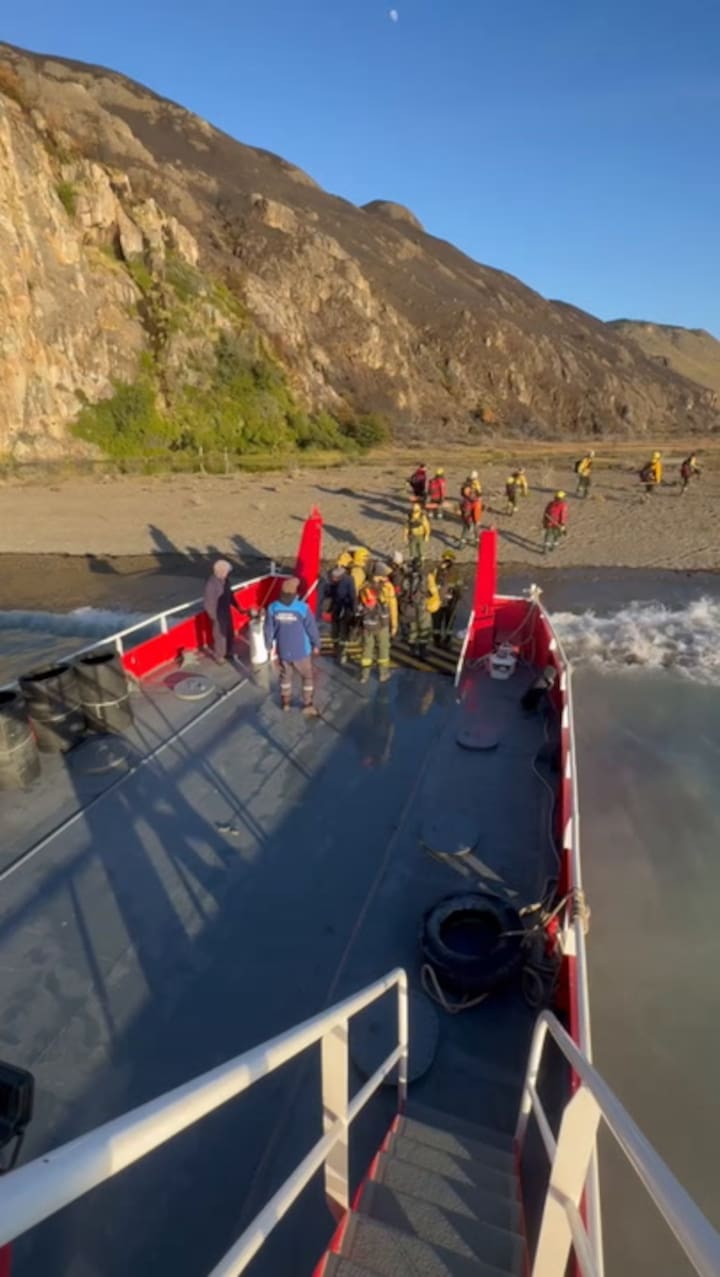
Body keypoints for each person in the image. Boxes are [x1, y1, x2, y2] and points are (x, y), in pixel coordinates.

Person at [264, 577, 320, 714]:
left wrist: (268, 645)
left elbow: (268, 630)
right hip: (301, 651)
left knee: (285, 676)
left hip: (283, 650)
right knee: (307, 676)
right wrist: (316, 644)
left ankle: (286, 702)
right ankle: (307, 703)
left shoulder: (273, 608)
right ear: (295, 593)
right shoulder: (303, 608)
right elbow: (312, 629)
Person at [358, 563, 398, 683]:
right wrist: (394, 624)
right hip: (383, 624)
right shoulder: (387, 587)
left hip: (368, 625)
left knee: (366, 650)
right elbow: (393, 606)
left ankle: (364, 675)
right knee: (383, 649)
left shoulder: (364, 587)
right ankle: (383, 674)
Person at [203, 559, 243, 662]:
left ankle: (228, 652)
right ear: (220, 571)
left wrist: (238, 607)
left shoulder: (226, 581)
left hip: (226, 611)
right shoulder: (211, 584)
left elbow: (230, 595)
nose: (227, 573)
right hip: (218, 614)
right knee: (220, 635)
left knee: (229, 632)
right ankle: (219, 656)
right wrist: (215, 618)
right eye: (226, 571)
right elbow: (208, 603)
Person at [323, 564, 356, 665]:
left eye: (334, 578)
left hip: (345, 609)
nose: (333, 579)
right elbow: (329, 594)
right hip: (336, 608)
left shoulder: (349, 580)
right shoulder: (333, 582)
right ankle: (336, 649)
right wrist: (327, 586)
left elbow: (352, 596)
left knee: (343, 632)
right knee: (335, 631)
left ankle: (342, 652)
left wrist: (353, 610)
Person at [404, 566, 440, 659]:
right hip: (423, 606)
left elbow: (404, 589)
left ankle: (412, 649)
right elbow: (433, 591)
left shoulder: (408, 576)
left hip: (410, 606)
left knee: (412, 628)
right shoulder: (427, 576)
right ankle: (422, 651)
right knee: (424, 628)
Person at [433, 550, 463, 649]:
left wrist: (458, 595)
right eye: (444, 559)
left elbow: (459, 585)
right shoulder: (437, 570)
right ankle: (436, 640)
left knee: (449, 622)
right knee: (437, 622)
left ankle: (446, 640)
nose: (445, 561)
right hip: (438, 601)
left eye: (448, 560)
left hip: (450, 602)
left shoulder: (456, 572)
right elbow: (431, 583)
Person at [405, 500, 431, 565]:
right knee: (412, 548)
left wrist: (427, 535)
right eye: (414, 508)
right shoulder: (410, 517)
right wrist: (405, 535)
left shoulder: (422, 517)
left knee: (421, 548)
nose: (415, 509)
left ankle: (421, 559)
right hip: (412, 535)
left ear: (419, 509)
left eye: (416, 508)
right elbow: (407, 527)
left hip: (420, 535)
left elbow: (427, 527)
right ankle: (413, 559)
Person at [459, 476, 483, 545]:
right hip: (471, 508)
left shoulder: (463, 488)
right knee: (475, 524)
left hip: (465, 508)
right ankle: (477, 540)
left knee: (466, 525)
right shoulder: (471, 489)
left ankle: (462, 540)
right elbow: (473, 497)